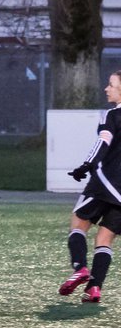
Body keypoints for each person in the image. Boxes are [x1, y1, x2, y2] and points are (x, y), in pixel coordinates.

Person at [60, 70, 121, 303]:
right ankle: (94, 288)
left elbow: (103, 142)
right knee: (104, 239)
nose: (107, 89)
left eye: (111, 85)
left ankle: (80, 268)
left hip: (105, 183)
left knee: (78, 222)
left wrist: (86, 165)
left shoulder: (113, 115)